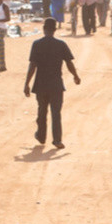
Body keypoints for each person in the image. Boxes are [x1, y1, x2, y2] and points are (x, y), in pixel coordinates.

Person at [24, 18, 80, 148]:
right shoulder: (61, 44)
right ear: (55, 30)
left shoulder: (37, 44)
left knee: (42, 111)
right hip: (56, 84)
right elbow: (69, 63)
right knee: (56, 113)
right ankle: (57, 140)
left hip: (40, 84)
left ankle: (41, 136)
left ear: (44, 29)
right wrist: (75, 76)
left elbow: (32, 65)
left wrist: (27, 83)